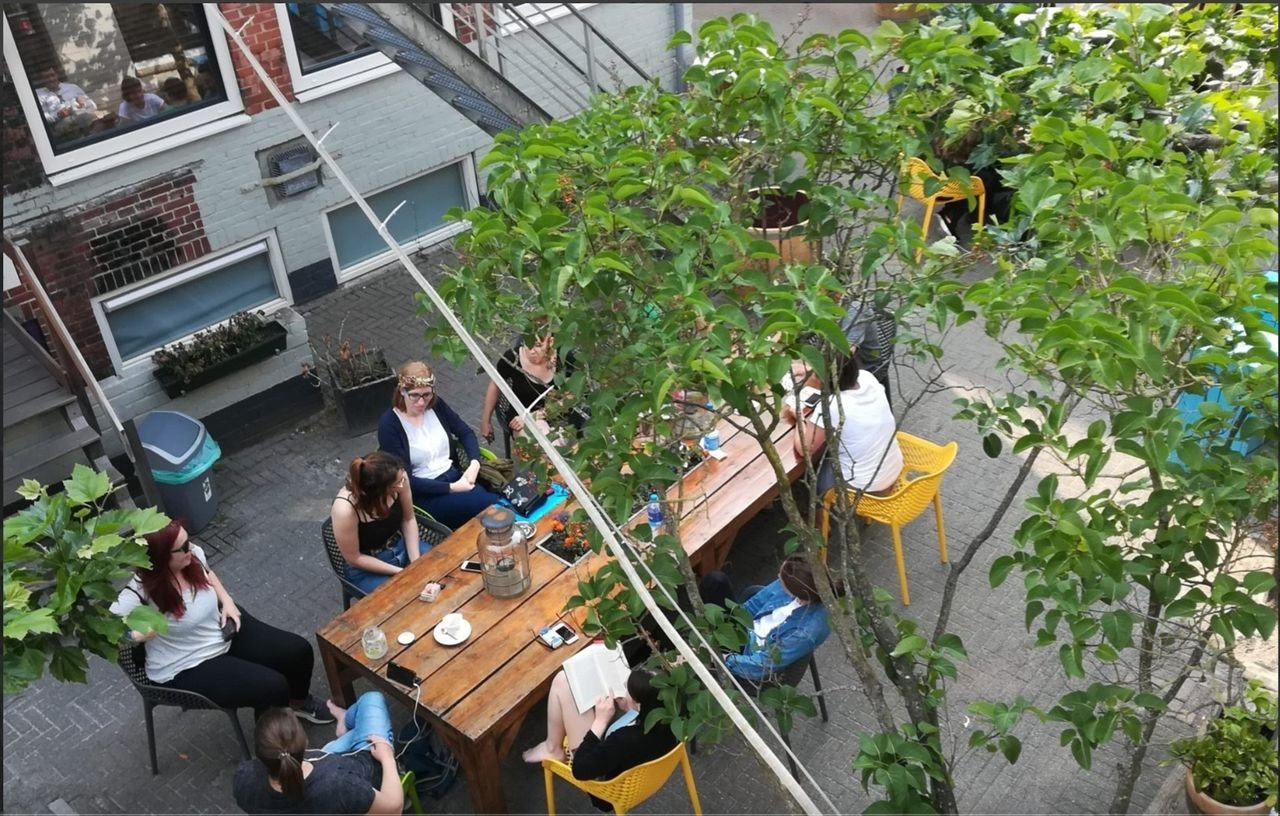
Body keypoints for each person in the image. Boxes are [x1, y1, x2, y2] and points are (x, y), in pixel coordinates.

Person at [109, 519, 333, 723]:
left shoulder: (191, 556)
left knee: (298, 651)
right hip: (187, 662)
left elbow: (208, 572)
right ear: (161, 557)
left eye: (189, 541)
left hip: (219, 629)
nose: (192, 549)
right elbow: (106, 633)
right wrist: (135, 635)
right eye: (183, 547)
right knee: (271, 687)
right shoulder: (139, 591)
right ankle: (274, 754)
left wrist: (226, 600)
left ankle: (298, 703)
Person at [522, 667, 677, 808]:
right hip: (645, 772)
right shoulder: (676, 717)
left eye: (628, 690)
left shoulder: (624, 740)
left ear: (639, 702)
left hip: (606, 789)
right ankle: (552, 746)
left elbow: (580, 770)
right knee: (565, 681)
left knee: (563, 682)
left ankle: (553, 748)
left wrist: (600, 721)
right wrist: (631, 706)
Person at [232, 692, 403, 814]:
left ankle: (345, 721)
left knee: (357, 730)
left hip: (330, 762)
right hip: (367, 765)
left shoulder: (244, 779)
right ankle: (347, 720)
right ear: (305, 743)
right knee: (372, 699)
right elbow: (393, 808)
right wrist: (387, 758)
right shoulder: (340, 785)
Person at [377, 361, 501, 529]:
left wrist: (474, 464)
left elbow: (465, 432)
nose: (421, 402)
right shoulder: (389, 425)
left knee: (498, 507)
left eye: (426, 395)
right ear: (402, 392)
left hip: (458, 479)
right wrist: (452, 488)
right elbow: (405, 481)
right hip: (428, 495)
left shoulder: (436, 405)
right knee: (494, 507)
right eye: (414, 395)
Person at [790, 353, 903, 498]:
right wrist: (811, 369)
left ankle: (820, 511)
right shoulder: (867, 377)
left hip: (866, 485)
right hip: (892, 467)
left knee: (818, 471)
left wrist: (799, 417)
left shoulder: (832, 406)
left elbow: (804, 449)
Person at [709, 554, 833, 685]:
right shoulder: (793, 580)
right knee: (716, 581)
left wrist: (723, 659)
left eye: (781, 579)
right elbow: (753, 605)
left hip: (752, 652)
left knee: (698, 656)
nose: (778, 577)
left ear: (796, 591)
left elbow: (763, 664)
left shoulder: (808, 631)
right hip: (747, 627)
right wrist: (732, 621)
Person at [331, 450, 424, 594]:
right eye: (396, 485)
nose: (402, 485)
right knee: (406, 597)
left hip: (401, 545)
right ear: (378, 491)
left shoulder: (399, 478)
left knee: (439, 571)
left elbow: (409, 519)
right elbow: (353, 558)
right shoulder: (345, 509)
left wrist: (416, 561)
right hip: (367, 566)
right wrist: (401, 572)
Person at [479, 332, 581, 448]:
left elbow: (572, 396)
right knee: (542, 447)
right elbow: (496, 384)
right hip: (520, 417)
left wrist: (540, 414)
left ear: (550, 342)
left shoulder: (564, 359)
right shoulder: (513, 357)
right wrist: (486, 421)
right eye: (528, 345)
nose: (531, 351)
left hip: (560, 417)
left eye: (537, 345)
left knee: (559, 446)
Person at [34, 67, 97, 139]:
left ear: (57, 75)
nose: (51, 79)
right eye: (46, 77)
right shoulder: (38, 95)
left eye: (52, 75)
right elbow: (40, 118)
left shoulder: (72, 88)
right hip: (62, 134)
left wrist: (84, 103)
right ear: (41, 80)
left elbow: (93, 106)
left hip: (85, 125)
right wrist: (58, 116)